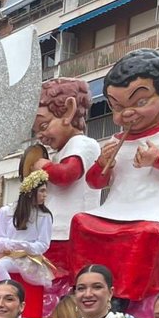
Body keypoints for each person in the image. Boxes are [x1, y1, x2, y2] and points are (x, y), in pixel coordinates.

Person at [69, 50, 159, 302]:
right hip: (116, 209)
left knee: (146, 234)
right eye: (117, 106)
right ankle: (84, 287)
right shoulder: (117, 139)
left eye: (139, 102)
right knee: (81, 223)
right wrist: (102, 163)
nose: (127, 114)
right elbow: (95, 182)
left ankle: (123, 298)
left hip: (157, 212)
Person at [31, 78, 101, 281]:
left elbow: (68, 174)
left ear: (69, 111)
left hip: (69, 231)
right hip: (54, 230)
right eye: (37, 131)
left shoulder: (82, 144)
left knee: (62, 277)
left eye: (44, 125)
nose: (41, 135)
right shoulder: (62, 151)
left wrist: (44, 166)